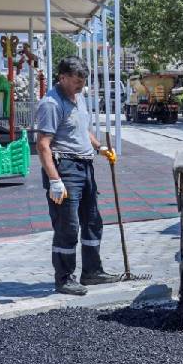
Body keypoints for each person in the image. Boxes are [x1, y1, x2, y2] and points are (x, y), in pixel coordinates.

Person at [35, 56, 118, 296]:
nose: (80, 86)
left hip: (86, 167)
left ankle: (92, 271)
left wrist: (99, 147)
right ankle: (64, 278)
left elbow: (83, 130)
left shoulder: (78, 99)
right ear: (62, 78)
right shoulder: (51, 103)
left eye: (83, 82)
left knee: (92, 221)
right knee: (68, 226)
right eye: (76, 82)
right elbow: (43, 145)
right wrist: (54, 180)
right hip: (66, 169)